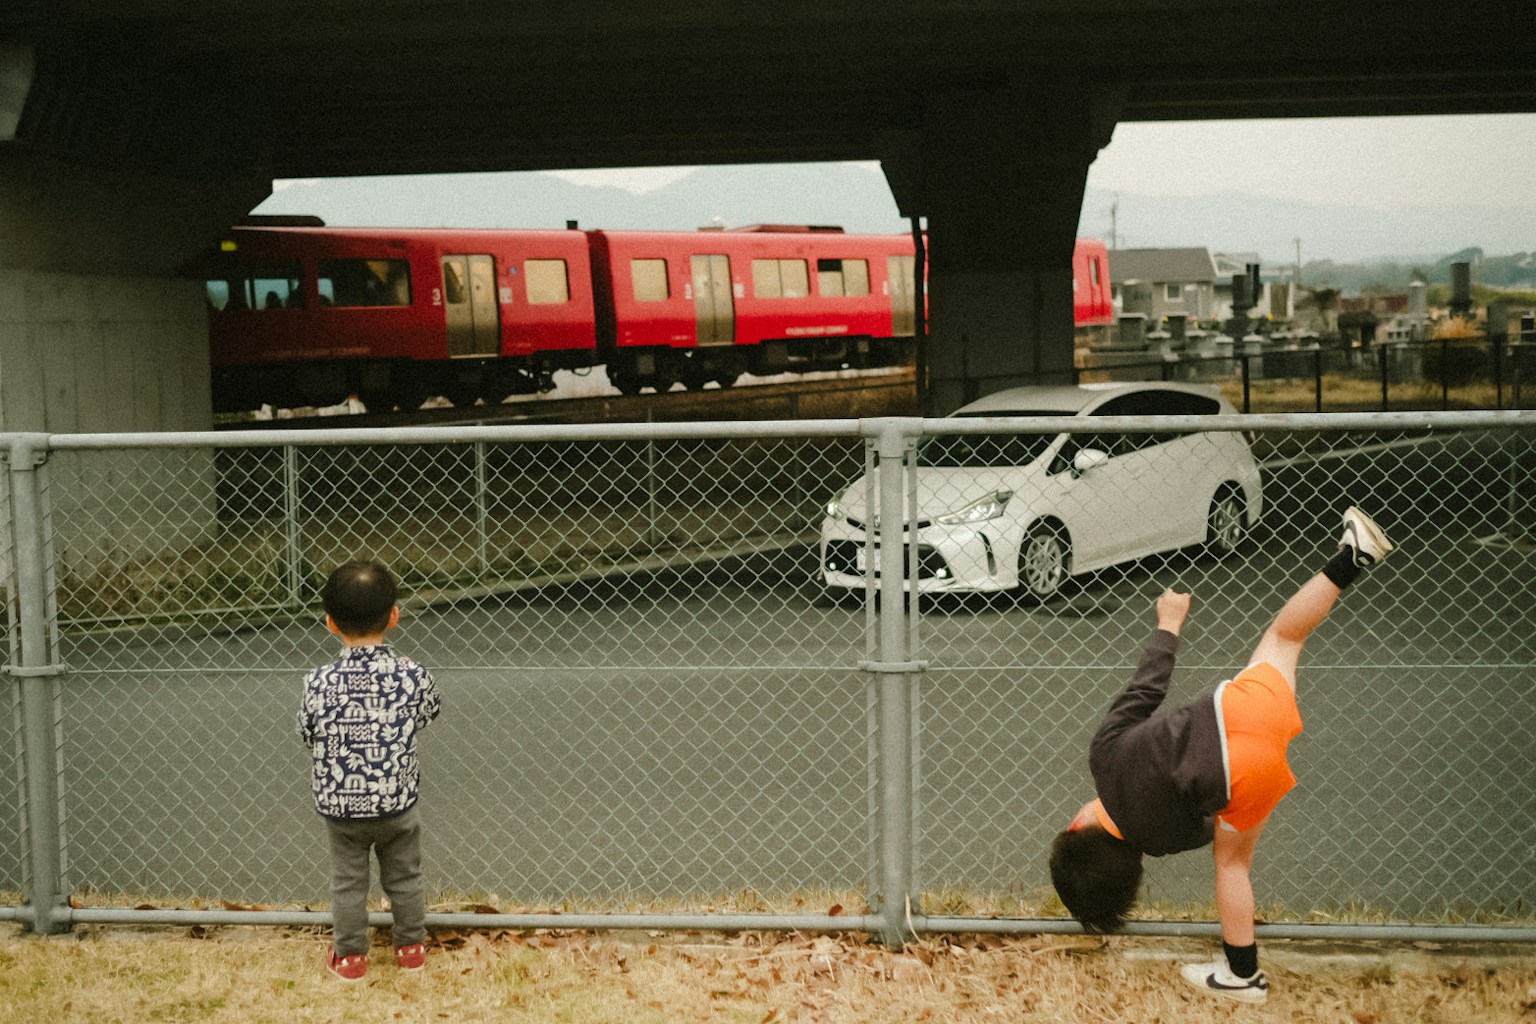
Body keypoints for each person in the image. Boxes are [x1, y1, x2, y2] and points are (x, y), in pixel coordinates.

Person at [1049, 506, 1394, 1005]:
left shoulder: (1161, 841)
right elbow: (1147, 687)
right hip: (1235, 718)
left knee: (1233, 865)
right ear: (1077, 825)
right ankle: (1353, 557)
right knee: (1283, 636)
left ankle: (1244, 975)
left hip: (1257, 773)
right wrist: (1169, 622)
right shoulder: (1104, 759)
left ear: (1133, 865)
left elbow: (1211, 827)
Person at [298, 560, 442, 982]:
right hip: (396, 800)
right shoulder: (411, 675)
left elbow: (306, 733)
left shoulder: (318, 682)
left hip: (340, 806)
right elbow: (429, 712)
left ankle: (350, 959)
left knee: (348, 881)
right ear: (394, 616)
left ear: (330, 623)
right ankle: (411, 947)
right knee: (405, 875)